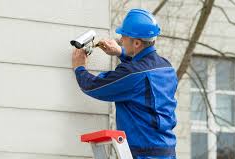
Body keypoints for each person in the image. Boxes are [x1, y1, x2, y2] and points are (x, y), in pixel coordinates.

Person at [72, 9, 178, 159]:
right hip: (167, 152)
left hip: (144, 154)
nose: (121, 40)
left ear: (136, 42)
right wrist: (121, 52)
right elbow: (141, 75)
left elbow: (94, 86)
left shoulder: (133, 74)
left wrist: (79, 67)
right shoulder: (166, 68)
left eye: (124, 36)